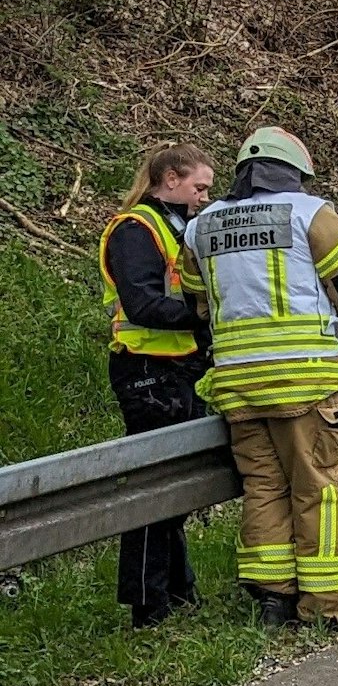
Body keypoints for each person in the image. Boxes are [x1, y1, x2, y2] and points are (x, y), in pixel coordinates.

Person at [179, 128, 338, 628]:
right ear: (294, 173)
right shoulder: (308, 213)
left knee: (264, 485)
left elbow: (195, 302)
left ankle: (274, 599)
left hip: (237, 383)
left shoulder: (201, 225)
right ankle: (329, 606)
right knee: (320, 488)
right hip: (305, 379)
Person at [99, 142, 215, 628]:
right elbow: (145, 305)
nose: (205, 197)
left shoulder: (178, 226)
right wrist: (203, 318)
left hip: (178, 368)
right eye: (199, 187)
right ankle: (148, 607)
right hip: (145, 369)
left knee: (175, 483)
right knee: (154, 488)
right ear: (170, 179)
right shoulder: (134, 230)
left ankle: (178, 588)